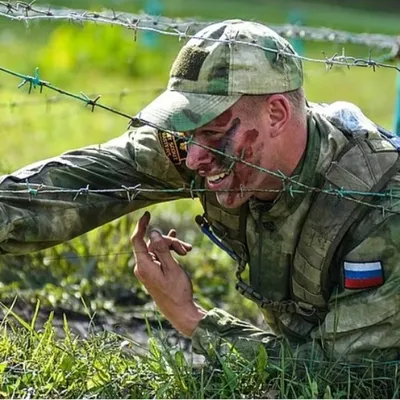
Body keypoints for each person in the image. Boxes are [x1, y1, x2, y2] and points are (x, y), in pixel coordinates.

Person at [1, 19, 399, 363]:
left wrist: (191, 318)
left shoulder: (380, 208)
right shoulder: (207, 150)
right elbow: (79, 184)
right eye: (187, 132)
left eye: (211, 132)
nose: (192, 158)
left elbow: (343, 373)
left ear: (277, 113)